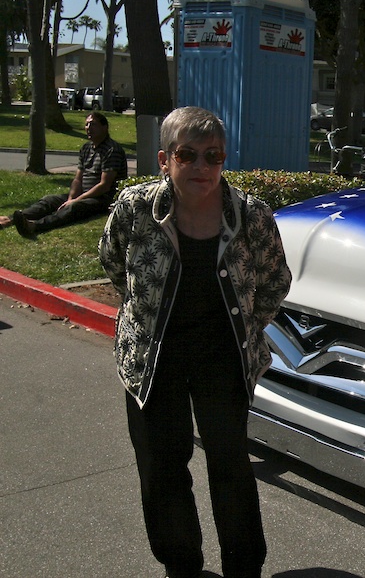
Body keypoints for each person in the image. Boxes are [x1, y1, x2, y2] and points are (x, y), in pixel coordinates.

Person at [98, 106, 292, 578]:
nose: (203, 168)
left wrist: (246, 328)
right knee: (163, 468)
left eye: (214, 156)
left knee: (230, 467)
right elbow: (114, 265)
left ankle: (243, 568)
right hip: (152, 359)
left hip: (222, 358)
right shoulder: (134, 209)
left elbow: (274, 283)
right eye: (189, 155)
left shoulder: (251, 217)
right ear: (165, 159)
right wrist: (147, 319)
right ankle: (181, 565)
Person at [0, 112, 127, 238]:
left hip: (103, 198)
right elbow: (78, 179)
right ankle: (9, 220)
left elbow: (104, 185)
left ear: (104, 127)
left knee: (73, 208)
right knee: (49, 200)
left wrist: (75, 201)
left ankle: (34, 226)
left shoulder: (112, 150)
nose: (88, 128)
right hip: (84, 194)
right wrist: (71, 198)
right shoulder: (86, 148)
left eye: (93, 124)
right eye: (87, 124)